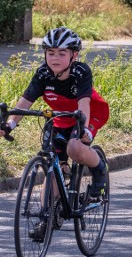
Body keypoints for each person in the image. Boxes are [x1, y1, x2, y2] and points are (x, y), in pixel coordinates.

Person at [1, 27, 109, 241]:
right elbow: (24, 103)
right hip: (59, 117)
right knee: (54, 164)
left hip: (89, 114)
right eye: (51, 53)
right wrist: (10, 125)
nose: (55, 58)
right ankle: (47, 216)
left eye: (61, 53)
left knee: (75, 148)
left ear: (73, 55)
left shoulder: (81, 72)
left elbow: (84, 104)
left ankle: (100, 170)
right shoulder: (42, 74)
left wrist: (85, 128)